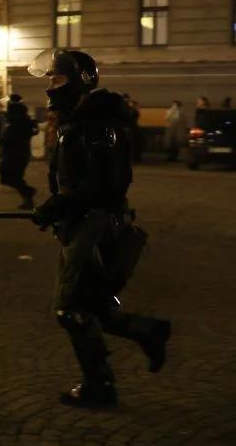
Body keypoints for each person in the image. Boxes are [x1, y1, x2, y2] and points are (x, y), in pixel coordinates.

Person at [29, 48, 171, 409]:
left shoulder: (97, 124)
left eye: (57, 80)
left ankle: (100, 386)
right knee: (92, 304)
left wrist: (59, 204)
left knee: (69, 307)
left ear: (78, 82)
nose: (50, 88)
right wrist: (58, 209)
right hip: (80, 223)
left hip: (97, 224)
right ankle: (147, 331)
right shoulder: (75, 120)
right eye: (49, 80)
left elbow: (108, 183)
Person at [0, 94, 38, 209]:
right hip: (18, 153)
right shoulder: (21, 118)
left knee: (10, 177)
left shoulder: (17, 120)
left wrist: (4, 141)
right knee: (13, 177)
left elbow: (12, 137)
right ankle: (28, 199)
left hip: (16, 153)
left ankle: (29, 193)